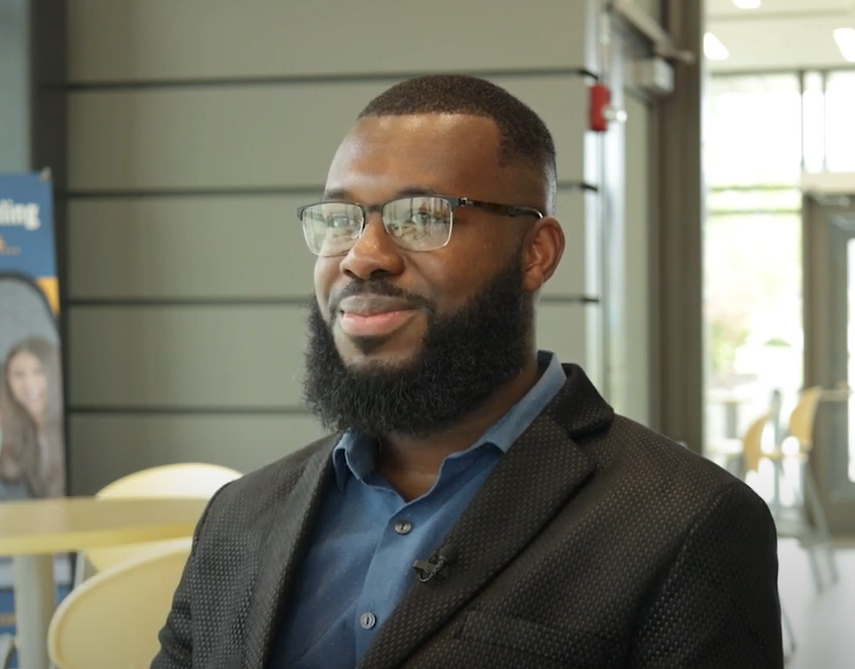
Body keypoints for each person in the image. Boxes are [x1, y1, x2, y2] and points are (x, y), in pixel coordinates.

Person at [152, 75, 783, 669]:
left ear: (536, 253)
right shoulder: (240, 513)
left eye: (423, 217)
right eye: (341, 220)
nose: (364, 257)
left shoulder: (686, 522)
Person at [0, 336, 65, 499]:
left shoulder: (73, 429)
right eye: (18, 375)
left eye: (39, 372)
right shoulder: (12, 430)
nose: (29, 384)